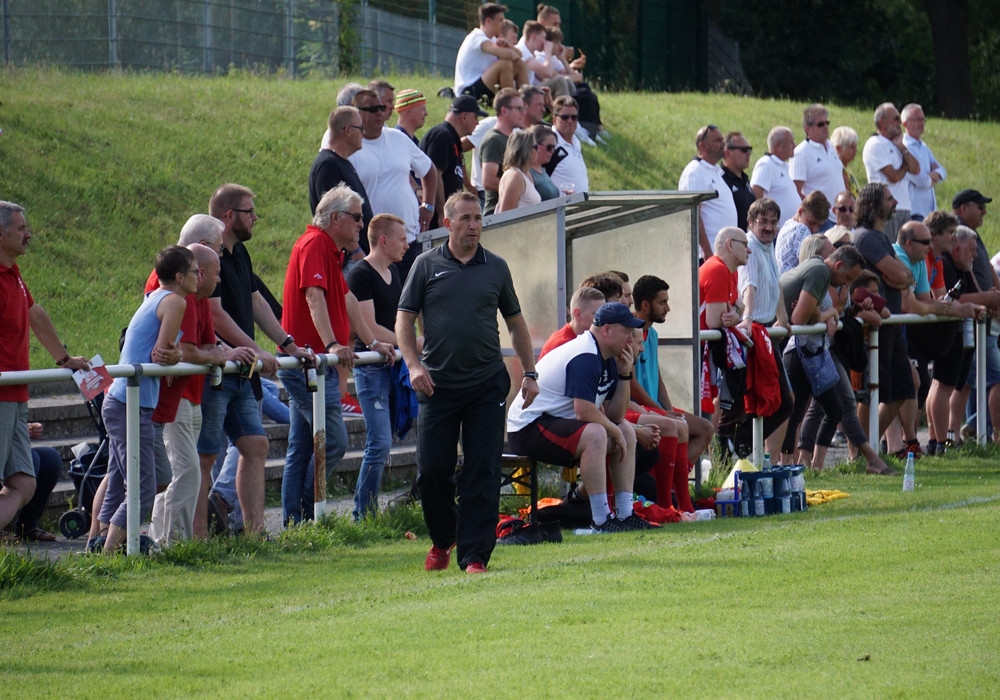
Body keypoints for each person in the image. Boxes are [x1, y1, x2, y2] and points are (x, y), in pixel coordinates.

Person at [396, 191, 538, 574]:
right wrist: (413, 365)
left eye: (478, 218)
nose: (474, 226)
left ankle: (475, 556)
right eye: (466, 219)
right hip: (436, 386)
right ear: (448, 223)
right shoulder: (425, 266)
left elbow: (515, 323)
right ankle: (445, 538)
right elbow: (404, 320)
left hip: (485, 384)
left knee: (482, 470)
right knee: (432, 473)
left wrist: (529, 372)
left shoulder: (496, 267)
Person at [197, 184, 312, 538]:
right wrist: (256, 350)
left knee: (255, 444)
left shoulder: (239, 254)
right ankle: (196, 539)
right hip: (217, 369)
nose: (255, 219)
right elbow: (215, 315)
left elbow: (257, 303)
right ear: (229, 216)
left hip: (242, 369)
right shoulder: (203, 257)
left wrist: (288, 345)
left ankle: (255, 531)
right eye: (250, 212)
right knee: (204, 457)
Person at [279, 185, 396, 526]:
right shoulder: (316, 243)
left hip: (313, 364)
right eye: (357, 217)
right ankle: (304, 515)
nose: (363, 224)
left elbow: (346, 301)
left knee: (300, 449)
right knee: (333, 441)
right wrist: (331, 344)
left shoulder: (327, 248)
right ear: (336, 218)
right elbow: (314, 296)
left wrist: (372, 342)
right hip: (311, 364)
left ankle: (296, 523)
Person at [507, 301, 653, 533]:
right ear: (606, 330)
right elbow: (583, 411)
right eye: (626, 331)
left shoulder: (607, 355)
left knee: (624, 428)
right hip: (527, 427)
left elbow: (615, 415)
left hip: (552, 421)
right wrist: (613, 431)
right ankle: (601, 520)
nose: (629, 339)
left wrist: (625, 375)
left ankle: (625, 514)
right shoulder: (585, 354)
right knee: (598, 433)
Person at [0, 201, 90, 534]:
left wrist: (65, 360)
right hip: (1, 393)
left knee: (24, 483)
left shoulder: (14, 274)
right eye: (21, 228)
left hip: (15, 395)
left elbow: (35, 314)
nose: (29, 234)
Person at [98, 245, 192, 553]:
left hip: (130, 401)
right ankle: (111, 553)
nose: (200, 277)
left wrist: (175, 354)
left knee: (139, 479)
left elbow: (164, 352)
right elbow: (162, 354)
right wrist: (176, 354)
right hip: (129, 402)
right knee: (141, 486)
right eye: (195, 271)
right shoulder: (176, 301)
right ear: (179, 276)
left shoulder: (155, 297)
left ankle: (101, 542)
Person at [779, 245, 893, 472]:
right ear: (839, 265)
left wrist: (833, 313)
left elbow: (809, 314)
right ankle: (787, 468)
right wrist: (829, 314)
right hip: (799, 350)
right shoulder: (820, 272)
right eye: (847, 279)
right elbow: (800, 317)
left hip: (808, 349)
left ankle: (807, 467)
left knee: (829, 409)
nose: (845, 285)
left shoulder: (821, 272)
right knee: (796, 414)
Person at [630, 275, 714, 508]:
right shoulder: (630, 332)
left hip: (653, 407)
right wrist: (660, 412)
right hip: (639, 408)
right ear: (645, 305)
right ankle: (671, 497)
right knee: (677, 427)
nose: (668, 307)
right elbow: (631, 385)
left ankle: (669, 484)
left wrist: (667, 408)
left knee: (705, 429)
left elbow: (657, 377)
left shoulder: (653, 334)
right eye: (662, 302)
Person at [346, 214, 408, 520]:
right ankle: (363, 513)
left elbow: (395, 320)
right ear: (383, 240)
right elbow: (367, 327)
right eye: (401, 238)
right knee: (379, 442)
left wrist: (405, 342)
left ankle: (367, 511)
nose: (407, 245)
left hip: (391, 365)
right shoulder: (361, 274)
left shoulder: (393, 273)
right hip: (371, 368)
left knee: (385, 441)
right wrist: (408, 342)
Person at [853, 182, 918, 453]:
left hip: (890, 325)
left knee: (905, 387)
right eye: (889, 199)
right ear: (873, 204)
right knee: (869, 393)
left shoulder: (880, 238)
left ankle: (867, 451)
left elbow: (906, 277)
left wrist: (900, 276)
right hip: (874, 327)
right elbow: (902, 276)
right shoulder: (866, 237)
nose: (894, 203)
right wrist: (900, 277)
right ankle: (860, 453)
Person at [349, 89, 437, 281]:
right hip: (373, 247)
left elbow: (429, 170)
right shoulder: (351, 147)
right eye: (373, 109)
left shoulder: (397, 138)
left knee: (410, 305)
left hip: (409, 242)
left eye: (381, 107)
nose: (380, 113)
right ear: (357, 113)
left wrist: (428, 205)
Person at [734, 198, 794, 458]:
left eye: (773, 222)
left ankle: (738, 445)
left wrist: (784, 319)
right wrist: (747, 317)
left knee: (778, 402)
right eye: (763, 222)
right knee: (778, 401)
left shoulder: (768, 246)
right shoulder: (749, 247)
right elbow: (749, 286)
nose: (769, 228)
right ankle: (737, 444)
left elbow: (775, 284)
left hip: (767, 330)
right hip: (754, 331)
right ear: (751, 223)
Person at [309, 106, 374, 257]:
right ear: (348, 130)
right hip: (346, 259)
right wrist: (357, 252)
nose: (363, 133)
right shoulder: (328, 165)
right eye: (360, 128)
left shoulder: (342, 162)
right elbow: (334, 217)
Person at [420, 95, 487, 228]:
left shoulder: (452, 138)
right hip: (436, 221)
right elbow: (436, 175)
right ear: (464, 116)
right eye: (476, 117)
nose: (477, 123)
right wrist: (442, 213)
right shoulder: (443, 136)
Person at [862, 102, 920, 241]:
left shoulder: (897, 145)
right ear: (882, 122)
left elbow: (916, 169)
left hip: (904, 207)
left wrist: (902, 148)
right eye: (895, 118)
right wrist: (905, 167)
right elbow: (893, 176)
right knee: (891, 248)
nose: (899, 122)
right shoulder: (875, 144)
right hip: (886, 209)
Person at [678, 124, 736, 261]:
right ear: (702, 146)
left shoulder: (715, 172)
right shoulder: (695, 172)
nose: (723, 144)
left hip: (722, 254)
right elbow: (693, 214)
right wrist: (706, 250)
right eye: (717, 140)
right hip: (706, 256)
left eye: (722, 139)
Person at [454, 3, 526, 102]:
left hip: (483, 86)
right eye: (500, 20)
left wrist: (509, 45)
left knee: (519, 65)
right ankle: (510, 104)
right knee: (505, 64)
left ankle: (526, 104)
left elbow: (520, 56)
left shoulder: (491, 39)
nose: (504, 23)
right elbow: (509, 55)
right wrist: (509, 51)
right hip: (468, 92)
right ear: (488, 21)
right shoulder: (477, 37)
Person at [789, 104, 844, 224]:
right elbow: (795, 190)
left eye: (827, 123)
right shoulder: (801, 153)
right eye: (820, 124)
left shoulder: (831, 147)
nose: (825, 127)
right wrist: (814, 214)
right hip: (821, 220)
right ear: (807, 128)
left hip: (841, 216)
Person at [480, 88, 526, 215]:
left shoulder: (512, 138)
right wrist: (520, 190)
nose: (523, 113)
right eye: (519, 109)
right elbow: (488, 181)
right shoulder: (494, 140)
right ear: (504, 111)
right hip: (497, 214)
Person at [902, 103, 946, 220]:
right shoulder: (905, 148)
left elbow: (942, 171)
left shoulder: (923, 146)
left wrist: (931, 175)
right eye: (917, 120)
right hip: (915, 211)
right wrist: (931, 177)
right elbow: (920, 181)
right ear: (905, 123)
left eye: (923, 120)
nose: (922, 123)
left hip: (929, 212)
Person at [750, 126, 800, 228]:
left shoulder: (784, 166)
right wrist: (767, 223)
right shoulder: (766, 164)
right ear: (778, 146)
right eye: (791, 142)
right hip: (773, 231)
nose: (794, 146)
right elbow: (756, 192)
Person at [540, 285, 606, 358]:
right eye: (596, 314)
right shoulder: (562, 344)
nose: (603, 318)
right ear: (578, 314)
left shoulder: (590, 339)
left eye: (604, 313)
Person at [775, 191, 830, 274]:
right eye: (812, 223)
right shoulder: (801, 229)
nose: (814, 229)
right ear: (800, 211)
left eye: (819, 226)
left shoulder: (788, 224)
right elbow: (810, 267)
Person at [544, 95, 589, 196]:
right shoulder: (548, 143)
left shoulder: (576, 143)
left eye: (574, 117)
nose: (570, 121)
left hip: (578, 208)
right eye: (565, 117)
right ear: (554, 120)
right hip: (557, 209)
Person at [495, 130, 542, 213]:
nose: (538, 151)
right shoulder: (515, 176)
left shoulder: (524, 174)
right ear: (526, 150)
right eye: (536, 147)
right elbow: (505, 216)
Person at [721, 131, 755, 231]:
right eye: (744, 150)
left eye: (749, 149)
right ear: (728, 153)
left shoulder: (745, 179)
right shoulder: (721, 180)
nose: (749, 153)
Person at [528, 124, 561, 201]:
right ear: (535, 145)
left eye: (554, 147)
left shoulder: (543, 170)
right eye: (549, 147)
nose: (553, 152)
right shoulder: (526, 172)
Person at [830, 125, 861, 198]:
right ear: (838, 148)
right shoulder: (841, 171)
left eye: (855, 146)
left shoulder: (846, 168)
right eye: (851, 147)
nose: (855, 150)